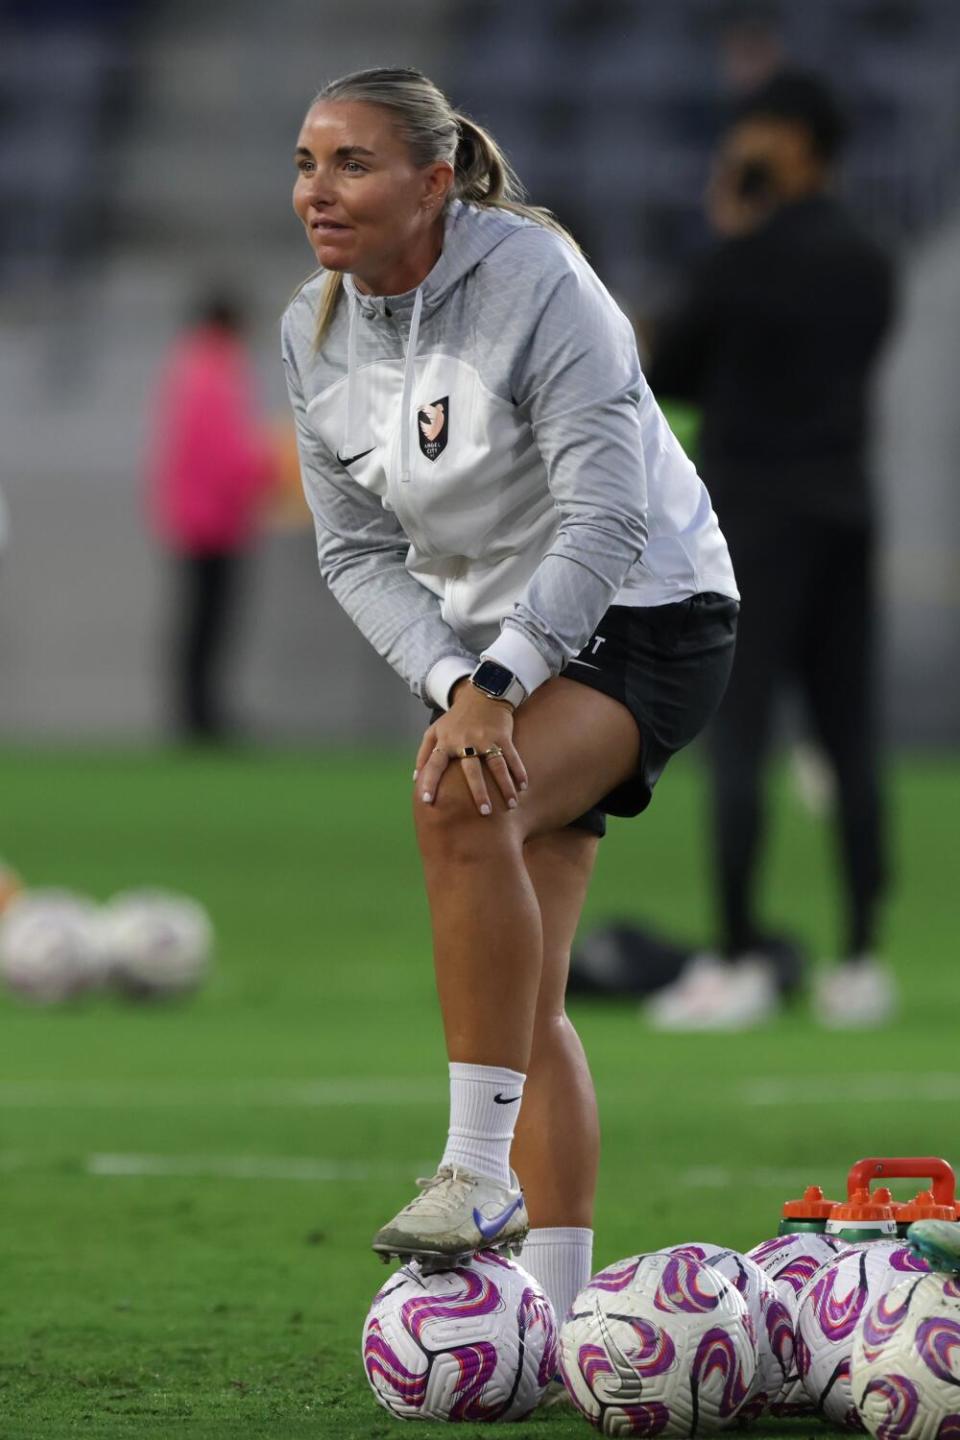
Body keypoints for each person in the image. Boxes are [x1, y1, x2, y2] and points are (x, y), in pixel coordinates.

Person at [281, 67, 739, 1320]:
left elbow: (608, 510)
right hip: (501, 656)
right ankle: (565, 1316)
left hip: (649, 611)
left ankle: (477, 1174)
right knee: (518, 1003)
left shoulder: (538, 279)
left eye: (354, 163)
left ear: (434, 182)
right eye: (309, 162)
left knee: (455, 804)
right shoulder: (310, 334)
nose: (320, 189)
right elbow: (355, 554)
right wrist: (454, 681)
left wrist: (493, 688)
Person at [644, 70, 897, 1031]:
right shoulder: (873, 260)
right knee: (850, 737)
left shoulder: (742, 259)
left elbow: (671, 371)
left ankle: (741, 956)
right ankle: (862, 960)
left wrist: (729, 230)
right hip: (846, 510)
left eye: (755, 130)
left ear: (791, 140)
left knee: (741, 736)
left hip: (752, 519)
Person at [147, 293, 276, 741]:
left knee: (197, 621)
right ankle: (202, 716)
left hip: (189, 517)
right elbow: (228, 451)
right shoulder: (219, 371)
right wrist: (266, 474)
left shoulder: (186, 367)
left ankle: (194, 712)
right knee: (211, 623)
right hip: (216, 521)